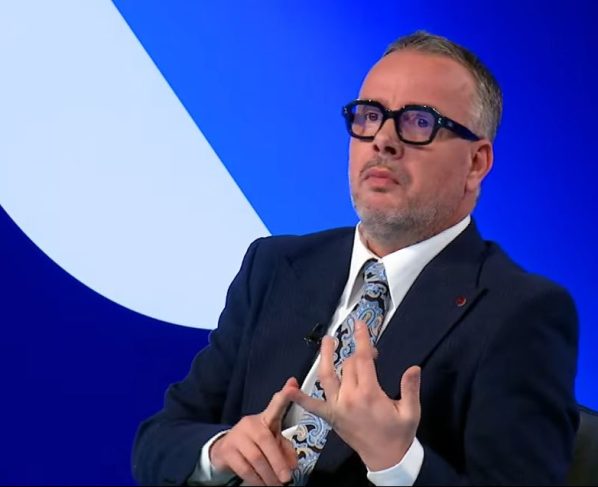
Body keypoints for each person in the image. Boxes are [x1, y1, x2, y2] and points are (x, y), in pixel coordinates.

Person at [132, 31, 578, 486]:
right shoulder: (275, 265)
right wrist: (220, 450)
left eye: (419, 122)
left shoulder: (521, 313)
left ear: (476, 163)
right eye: (370, 116)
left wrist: (397, 461)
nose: (382, 140)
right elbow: (159, 440)